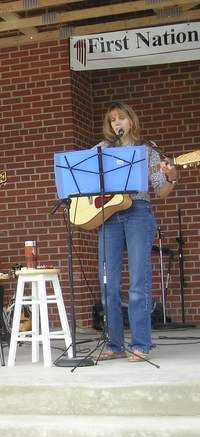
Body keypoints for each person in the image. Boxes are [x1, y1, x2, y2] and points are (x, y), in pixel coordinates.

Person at [96, 102, 177, 362]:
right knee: (108, 283)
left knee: (138, 282)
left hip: (138, 213)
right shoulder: (102, 150)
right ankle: (114, 344)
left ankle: (141, 343)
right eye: (112, 120)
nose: (116, 123)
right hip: (109, 215)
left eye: (121, 118)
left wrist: (171, 176)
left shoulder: (147, 151)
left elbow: (160, 190)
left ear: (131, 121)